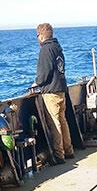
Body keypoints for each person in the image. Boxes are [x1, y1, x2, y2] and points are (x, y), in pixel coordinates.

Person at [31, 23, 74, 164]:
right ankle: (69, 150)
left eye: (37, 36)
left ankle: (59, 154)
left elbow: (44, 72)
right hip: (61, 89)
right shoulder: (57, 48)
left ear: (41, 35)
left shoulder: (45, 49)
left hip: (51, 92)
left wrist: (36, 83)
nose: (37, 39)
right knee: (63, 120)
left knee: (55, 123)